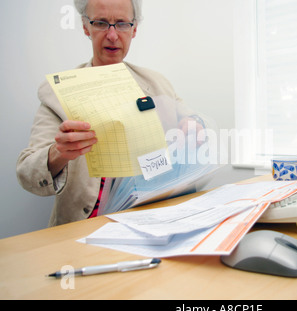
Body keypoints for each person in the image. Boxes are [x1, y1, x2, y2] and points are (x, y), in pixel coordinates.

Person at [16, 0, 205, 227]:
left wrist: (193, 123)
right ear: (86, 27)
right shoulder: (55, 94)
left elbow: (190, 118)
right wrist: (59, 153)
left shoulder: (156, 83)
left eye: (122, 24)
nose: (113, 36)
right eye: (101, 23)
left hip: (150, 220)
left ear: (134, 29)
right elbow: (27, 173)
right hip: (84, 228)